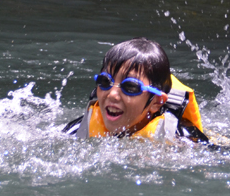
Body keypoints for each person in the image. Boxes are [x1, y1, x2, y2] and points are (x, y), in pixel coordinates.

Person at [64, 38, 211, 142]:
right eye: (105, 81)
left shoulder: (182, 138)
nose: (112, 94)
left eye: (130, 87)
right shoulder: (79, 128)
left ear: (157, 102)